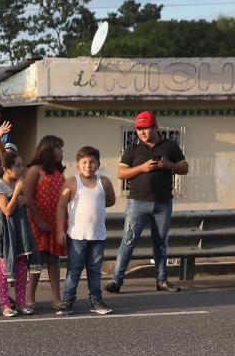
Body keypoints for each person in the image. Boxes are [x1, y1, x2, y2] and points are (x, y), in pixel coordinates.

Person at [105, 111, 187, 294]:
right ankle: (116, 281)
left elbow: (185, 167)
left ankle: (162, 281)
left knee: (160, 243)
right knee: (128, 241)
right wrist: (142, 168)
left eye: (145, 128)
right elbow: (120, 173)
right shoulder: (133, 147)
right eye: (139, 128)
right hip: (137, 203)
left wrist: (169, 165)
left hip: (163, 204)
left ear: (155, 127)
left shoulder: (170, 145)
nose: (141, 132)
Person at [55, 146, 115, 316]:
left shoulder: (104, 182)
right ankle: (68, 300)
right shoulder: (72, 182)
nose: (88, 165)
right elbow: (61, 206)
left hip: (98, 236)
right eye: (85, 162)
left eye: (92, 162)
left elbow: (109, 201)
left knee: (95, 269)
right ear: (78, 164)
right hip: (76, 236)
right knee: (74, 269)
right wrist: (60, 230)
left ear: (98, 164)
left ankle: (96, 300)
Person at [0, 151, 38, 317]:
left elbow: (25, 201)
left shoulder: (19, 182)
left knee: (22, 268)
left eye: (21, 165)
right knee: (4, 270)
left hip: (21, 231)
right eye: (17, 166)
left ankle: (21, 302)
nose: (21, 169)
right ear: (6, 169)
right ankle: (5, 305)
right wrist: (17, 193)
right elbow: (8, 211)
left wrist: (21, 196)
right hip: (6, 234)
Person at [24, 136, 66, 310]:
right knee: (36, 262)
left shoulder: (58, 172)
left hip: (55, 223)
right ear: (48, 150)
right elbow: (28, 197)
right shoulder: (35, 170)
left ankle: (57, 298)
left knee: (54, 260)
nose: (61, 152)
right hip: (37, 223)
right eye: (58, 148)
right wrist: (39, 221)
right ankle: (29, 298)